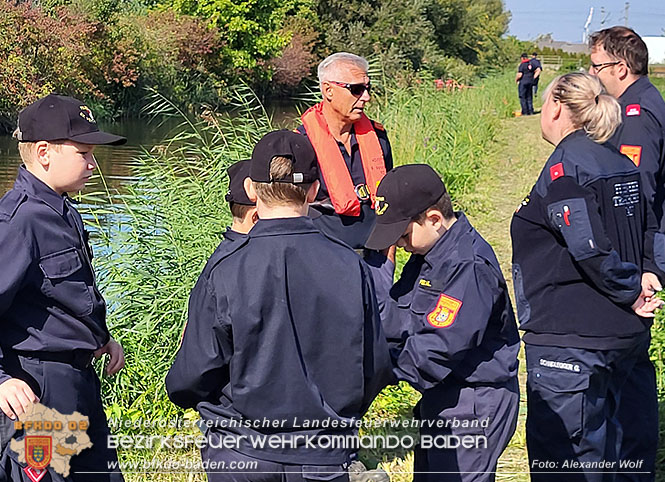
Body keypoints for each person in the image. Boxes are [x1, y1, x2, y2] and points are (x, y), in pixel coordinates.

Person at [165, 130, 394, 482]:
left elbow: (192, 376)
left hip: (241, 452)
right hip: (323, 450)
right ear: (315, 191)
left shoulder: (226, 268)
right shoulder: (351, 265)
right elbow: (375, 366)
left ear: (252, 190)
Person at [511, 72, 664, 481]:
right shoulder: (617, 160)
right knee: (618, 452)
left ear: (557, 107)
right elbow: (653, 222)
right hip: (622, 338)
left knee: (567, 461)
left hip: (572, 343)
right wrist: (651, 272)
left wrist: (631, 288)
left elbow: (588, 245)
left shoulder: (566, 167)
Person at [365, 164, 520, 482]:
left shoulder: (467, 267)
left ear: (434, 218)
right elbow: (398, 318)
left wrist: (371, 376)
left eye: (404, 234)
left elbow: (435, 351)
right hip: (443, 398)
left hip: (473, 404)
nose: (402, 244)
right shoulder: (428, 255)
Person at [0, 94, 127, 481]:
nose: (93, 164)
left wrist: (99, 337)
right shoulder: (19, 220)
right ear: (44, 153)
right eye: (84, 153)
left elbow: (63, 295)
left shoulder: (62, 208)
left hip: (78, 383)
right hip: (40, 391)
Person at [589, 26, 665, 481]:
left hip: (639, 250)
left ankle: (630, 459)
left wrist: (639, 267)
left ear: (620, 67)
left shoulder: (635, 113)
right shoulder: (638, 102)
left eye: (596, 67)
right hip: (643, 247)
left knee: (630, 359)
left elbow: (637, 190)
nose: (593, 76)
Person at [297, 52, 393, 250]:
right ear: (328, 90)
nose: (366, 97)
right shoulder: (300, 144)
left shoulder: (378, 137)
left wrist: (389, 259)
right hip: (324, 259)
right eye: (356, 89)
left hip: (374, 260)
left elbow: (391, 202)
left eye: (368, 88)